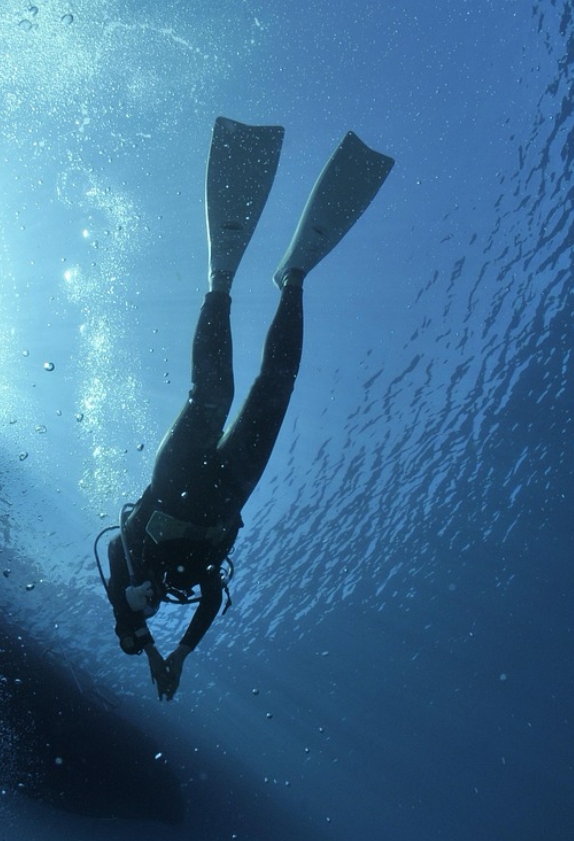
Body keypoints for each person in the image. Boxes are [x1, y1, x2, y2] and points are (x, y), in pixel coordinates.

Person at [100, 117, 394, 700]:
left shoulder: (129, 564)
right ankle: (294, 279)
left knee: (213, 396)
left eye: (148, 606)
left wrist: (127, 603)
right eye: (156, 607)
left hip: (177, 478)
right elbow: (207, 604)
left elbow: (118, 576)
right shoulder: (189, 585)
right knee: (276, 388)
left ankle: (221, 281)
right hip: (231, 491)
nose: (156, 601)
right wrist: (176, 653)